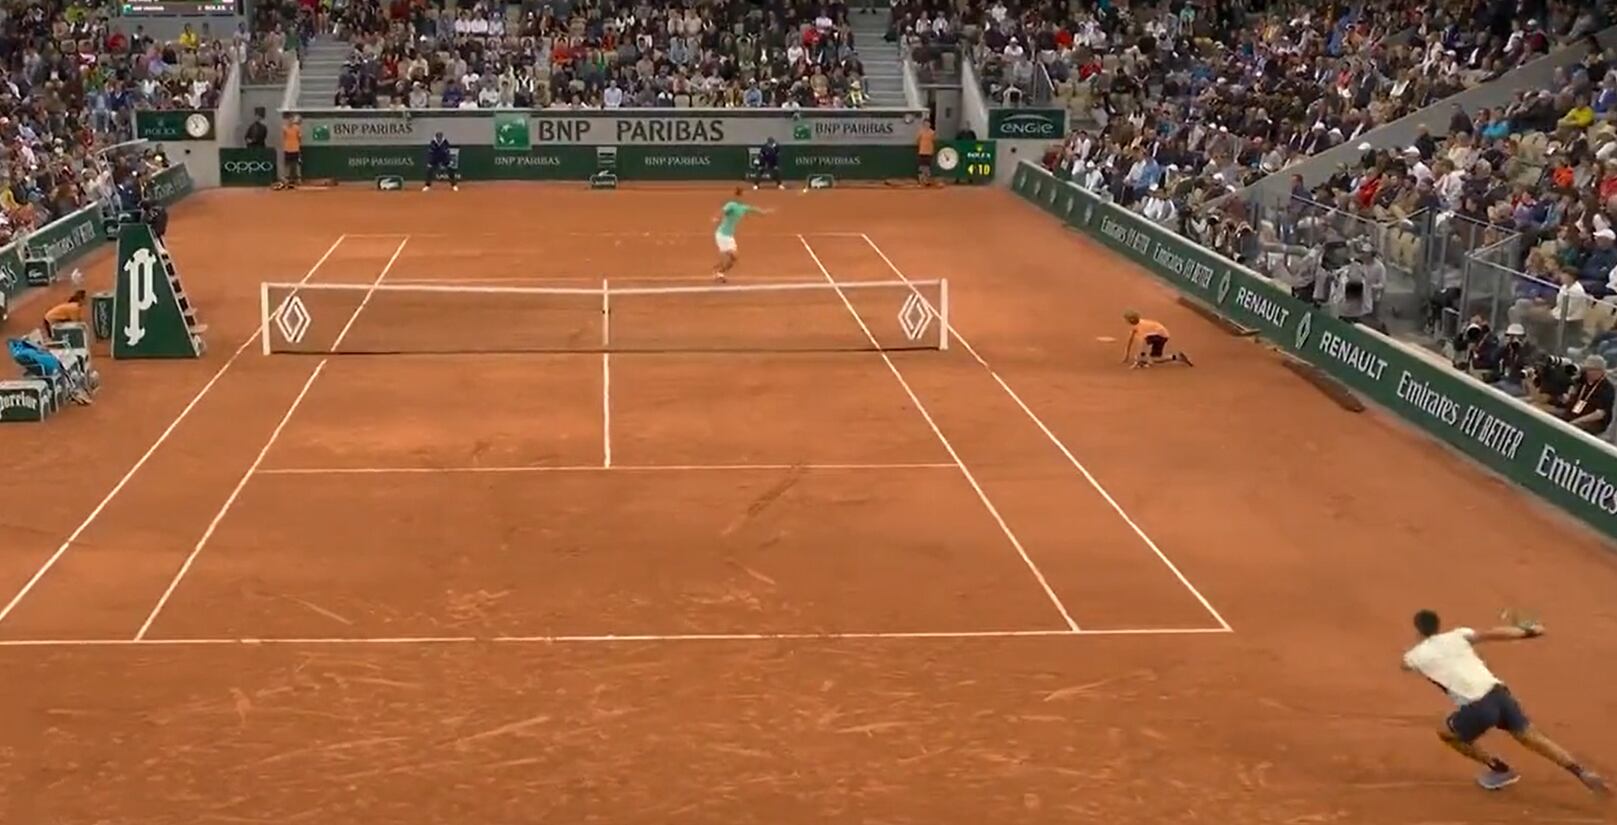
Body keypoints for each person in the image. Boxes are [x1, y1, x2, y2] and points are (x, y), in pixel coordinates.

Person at [1402, 609, 1607, 793]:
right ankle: (1580, 772)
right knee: (1531, 737)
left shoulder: (1414, 656)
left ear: (1417, 629)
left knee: (1446, 733)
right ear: (1438, 624)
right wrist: (1530, 631)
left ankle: (1499, 769)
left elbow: (1406, 665)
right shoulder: (1458, 635)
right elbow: (1496, 633)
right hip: (1499, 694)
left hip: (1477, 707)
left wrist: (1421, 647)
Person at [712, 188, 771, 283]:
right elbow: (723, 211)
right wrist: (716, 218)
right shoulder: (731, 205)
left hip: (730, 236)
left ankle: (719, 272)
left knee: (734, 258)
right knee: (726, 255)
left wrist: (764, 212)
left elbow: (754, 210)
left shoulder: (743, 207)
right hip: (722, 235)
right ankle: (717, 273)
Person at [1554, 354, 1615, 434]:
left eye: (1591, 370)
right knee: (1553, 418)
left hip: (1592, 420)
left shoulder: (1607, 388)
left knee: (1575, 428)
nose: (1588, 372)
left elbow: (1599, 414)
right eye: (1587, 369)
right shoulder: (1582, 379)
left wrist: (1577, 421)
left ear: (1600, 371)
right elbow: (1570, 389)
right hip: (1574, 413)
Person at [1122, 311, 1193, 368]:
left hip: (1161, 336)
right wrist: (1127, 355)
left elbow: (1142, 343)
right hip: (1162, 335)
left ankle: (1142, 360)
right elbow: (1130, 340)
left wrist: (1139, 357)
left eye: (1126, 319)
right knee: (1156, 358)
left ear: (1131, 320)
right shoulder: (1138, 324)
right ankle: (1178, 357)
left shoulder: (1141, 327)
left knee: (1145, 341)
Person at [281, 115, 302, 186]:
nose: (290, 121)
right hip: (287, 149)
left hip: (295, 149)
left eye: (291, 120)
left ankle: (298, 179)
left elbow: (299, 138)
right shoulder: (284, 128)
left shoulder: (297, 128)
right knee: (287, 164)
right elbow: (283, 137)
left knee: (296, 164)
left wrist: (297, 145)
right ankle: (287, 179)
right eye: (289, 120)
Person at [917, 119, 936, 185]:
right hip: (922, 152)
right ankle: (921, 180)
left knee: (927, 167)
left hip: (929, 152)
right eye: (925, 123)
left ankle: (927, 180)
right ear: (923, 124)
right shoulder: (920, 132)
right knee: (921, 167)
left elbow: (934, 141)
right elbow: (918, 141)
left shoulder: (932, 132)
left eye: (928, 123)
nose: (926, 125)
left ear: (930, 124)